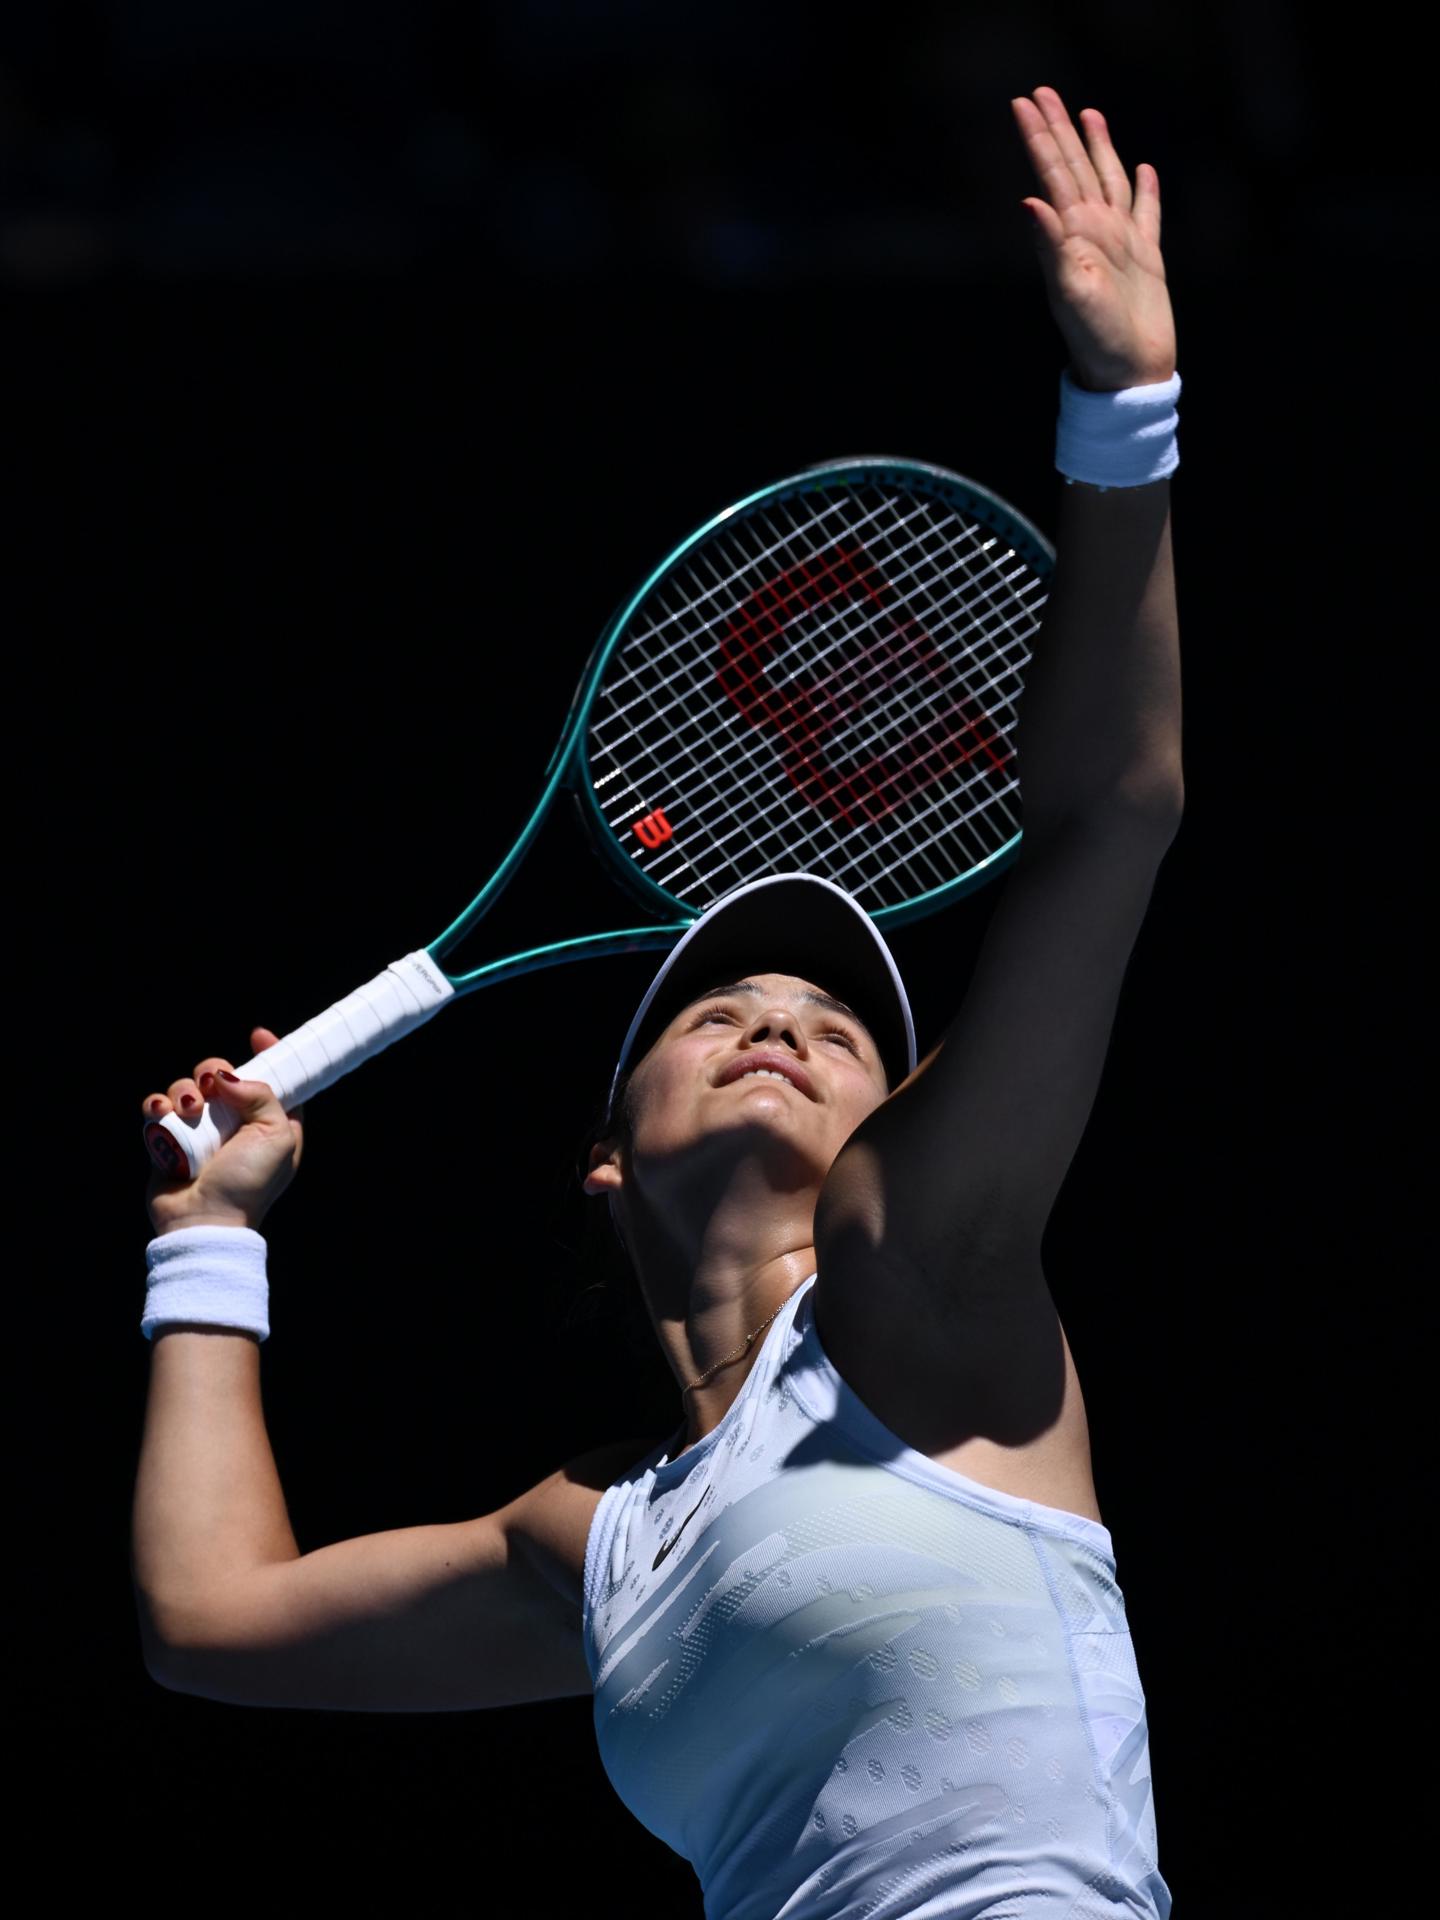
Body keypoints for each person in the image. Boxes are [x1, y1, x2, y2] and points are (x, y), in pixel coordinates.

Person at [132, 84, 1179, 1918]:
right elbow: (213, 1621)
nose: (778, 1019)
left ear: (903, 1118)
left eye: (839, 1028)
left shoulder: (912, 1266)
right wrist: (208, 1243)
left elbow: (1109, 817)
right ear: (606, 1159)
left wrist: (1128, 418)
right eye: (719, 1010)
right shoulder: (596, 1539)